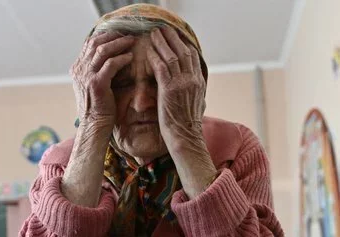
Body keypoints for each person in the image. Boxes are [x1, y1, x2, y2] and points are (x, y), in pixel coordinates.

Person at [19, 3, 284, 237]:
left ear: (195, 85)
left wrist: (185, 137)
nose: (141, 102)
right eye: (120, 84)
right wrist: (92, 123)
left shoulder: (235, 148)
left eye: (161, 80)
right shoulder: (60, 163)